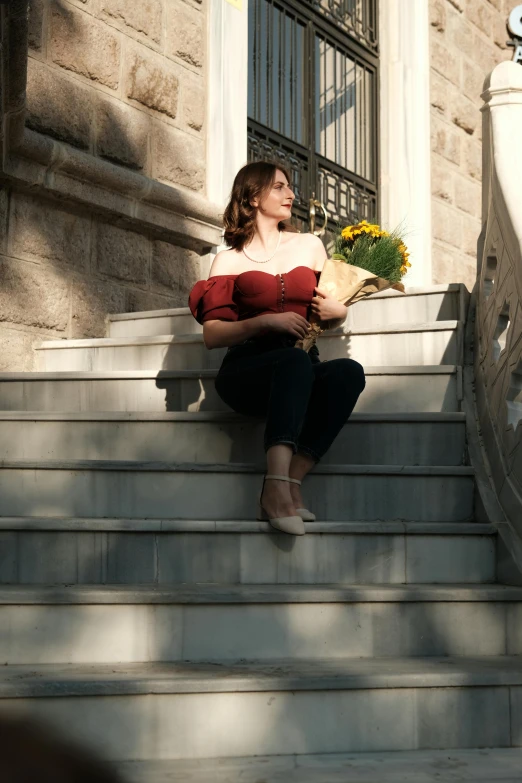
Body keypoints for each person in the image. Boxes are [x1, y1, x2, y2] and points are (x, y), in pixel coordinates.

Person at [188, 161, 366, 536]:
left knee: (348, 373)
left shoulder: (310, 245)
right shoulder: (228, 259)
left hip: (299, 364)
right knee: (292, 362)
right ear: (253, 197)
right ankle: (274, 487)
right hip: (247, 371)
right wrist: (265, 322)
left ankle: (291, 483)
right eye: (280, 187)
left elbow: (328, 309)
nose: (291, 195)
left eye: (290, 187)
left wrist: (340, 311)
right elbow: (212, 335)